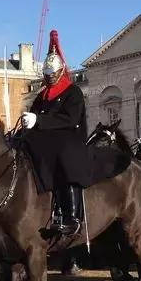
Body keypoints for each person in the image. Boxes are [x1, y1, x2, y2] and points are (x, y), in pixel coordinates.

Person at [21, 30, 90, 237]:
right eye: (47, 74)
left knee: (64, 157)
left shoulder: (73, 92)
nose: (49, 77)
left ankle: (71, 215)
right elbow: (35, 115)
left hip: (69, 138)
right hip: (44, 138)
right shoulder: (41, 96)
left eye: (52, 73)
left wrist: (39, 121)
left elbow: (70, 119)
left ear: (61, 71)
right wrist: (28, 121)